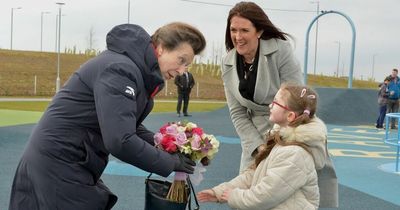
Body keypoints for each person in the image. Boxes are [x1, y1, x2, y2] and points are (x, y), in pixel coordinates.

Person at [9, 22, 206, 209]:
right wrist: (170, 163)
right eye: (181, 60)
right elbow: (120, 140)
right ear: (161, 47)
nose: (182, 71)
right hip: (57, 165)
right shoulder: (120, 70)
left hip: (67, 163)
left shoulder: (132, 71)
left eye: (187, 65)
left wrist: (167, 146)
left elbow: (129, 126)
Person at [197, 84, 327, 209]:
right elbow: (254, 175)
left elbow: (266, 195)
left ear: (290, 116)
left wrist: (234, 196)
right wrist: (220, 192)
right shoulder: (281, 142)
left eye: (276, 102)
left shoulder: (294, 154)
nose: (270, 105)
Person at [221, 1, 303, 173]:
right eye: (233, 30)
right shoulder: (227, 63)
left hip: (288, 129)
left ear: (259, 31)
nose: (237, 36)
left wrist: (275, 141)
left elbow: (295, 102)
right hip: (254, 136)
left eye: (244, 30)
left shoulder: (281, 50)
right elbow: (237, 113)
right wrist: (258, 146)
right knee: (247, 191)